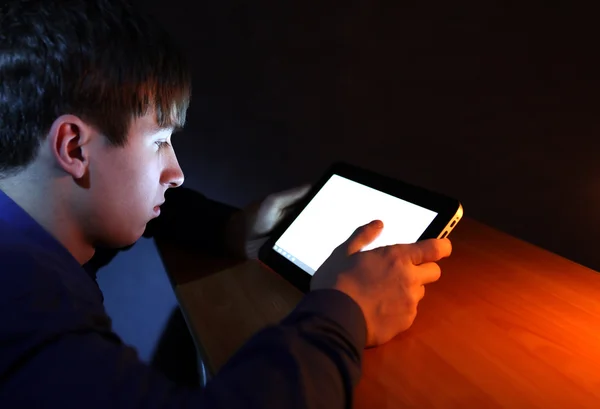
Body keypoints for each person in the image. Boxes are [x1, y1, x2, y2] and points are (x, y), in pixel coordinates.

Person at [0, 0, 453, 408]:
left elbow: (161, 209)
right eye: (160, 141)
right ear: (74, 147)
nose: (176, 173)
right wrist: (344, 312)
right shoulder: (27, 308)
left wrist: (232, 228)